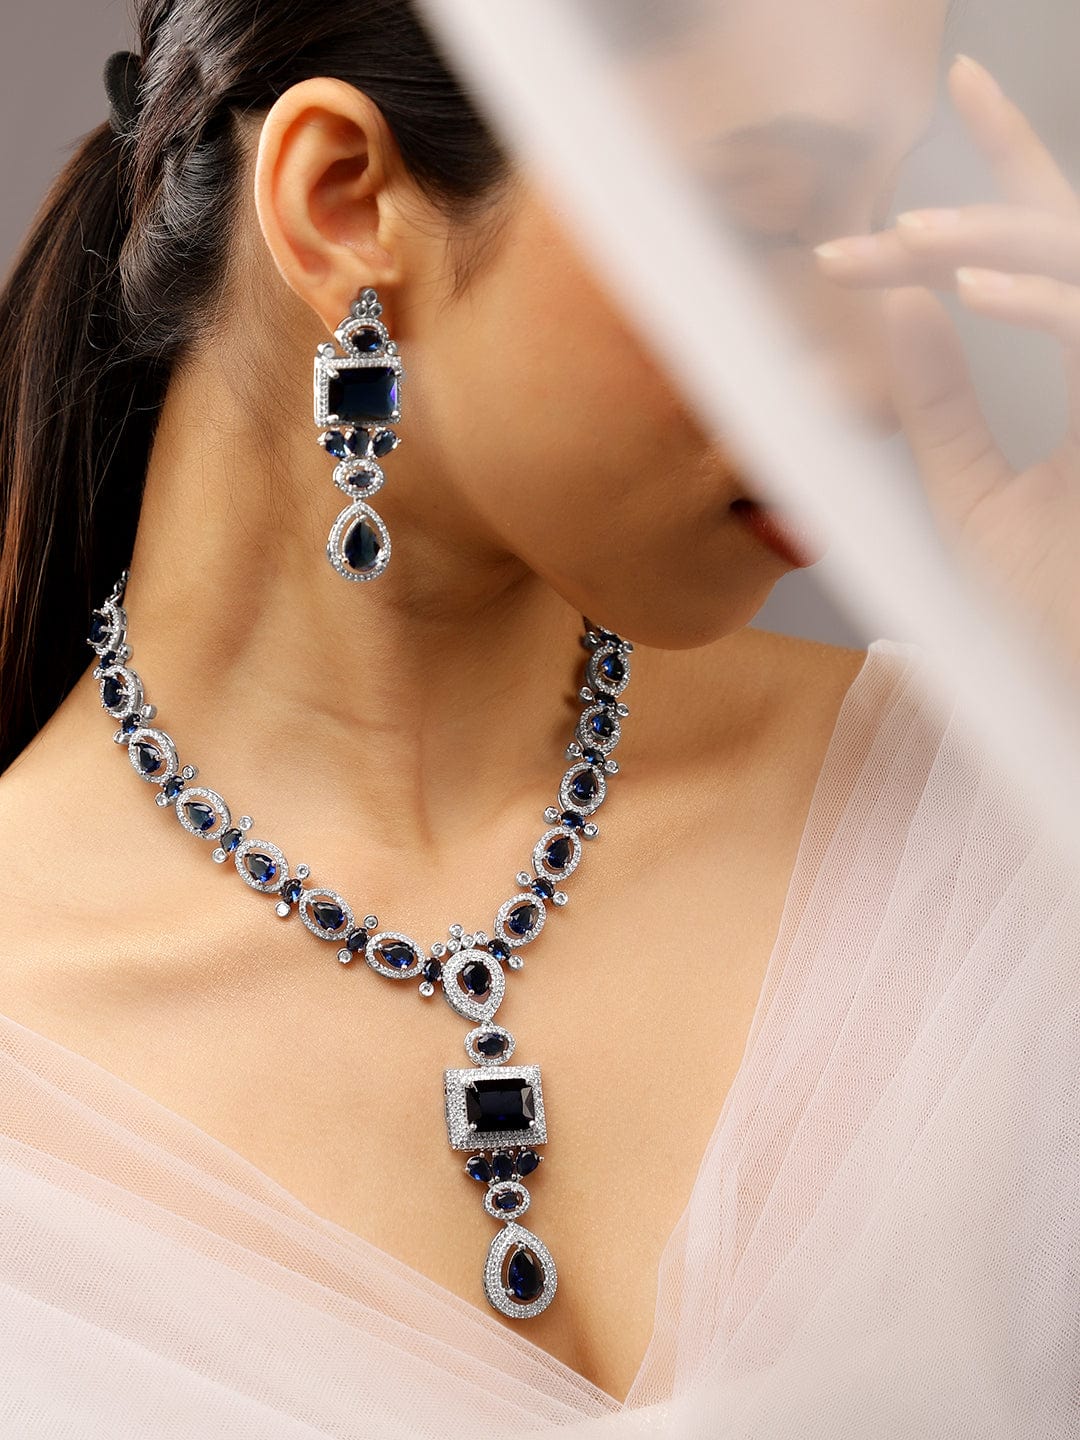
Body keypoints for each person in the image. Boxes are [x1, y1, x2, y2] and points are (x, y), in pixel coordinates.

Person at [0, 2, 1075, 1434]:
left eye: (880, 226)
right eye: (763, 220)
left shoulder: (989, 806)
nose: (866, 375)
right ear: (342, 202)